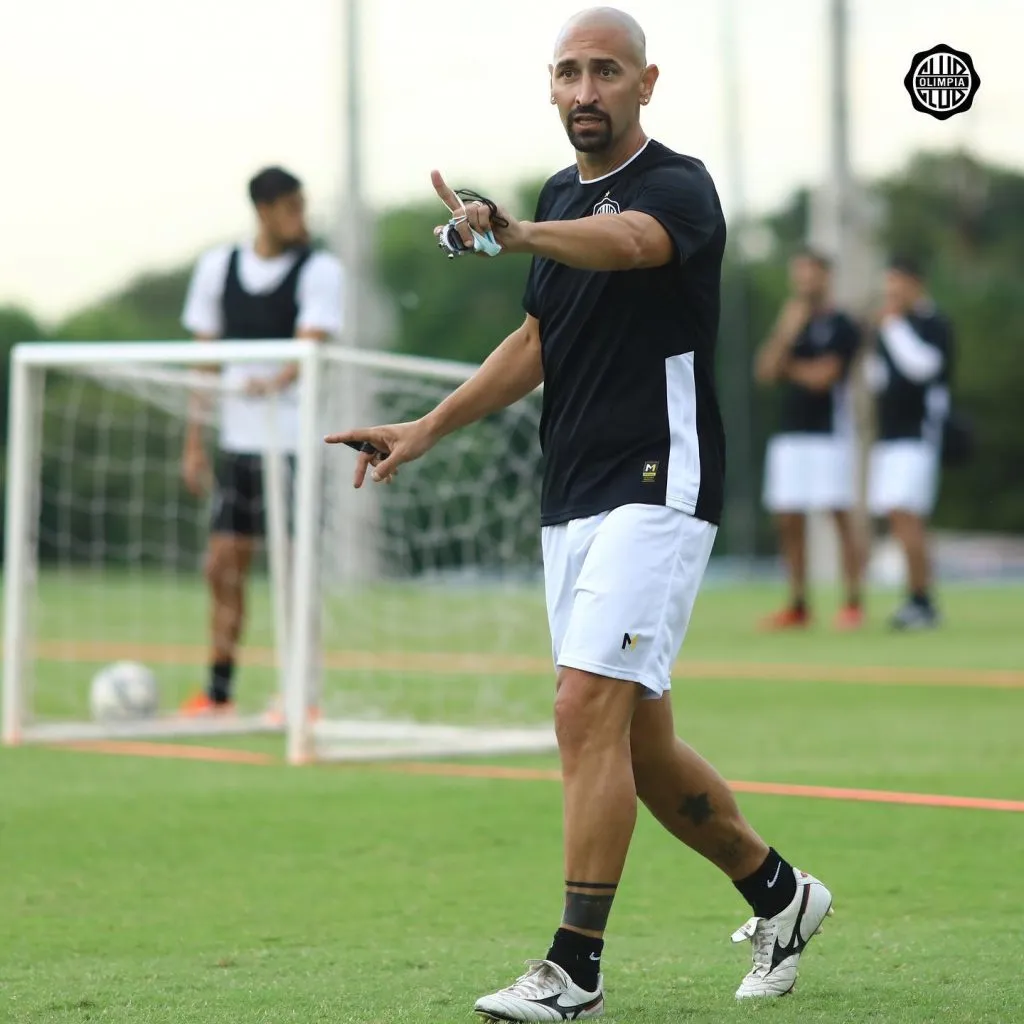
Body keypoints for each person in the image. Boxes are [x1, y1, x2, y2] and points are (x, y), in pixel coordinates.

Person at [327, 7, 833, 1019]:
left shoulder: (674, 188)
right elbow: (535, 340)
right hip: (573, 499)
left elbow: (629, 243)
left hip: (659, 484)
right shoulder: (561, 197)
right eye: (568, 72)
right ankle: (780, 894)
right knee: (638, 752)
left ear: (645, 84)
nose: (586, 88)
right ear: (550, 88)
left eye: (607, 70)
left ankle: (574, 966)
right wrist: (427, 427)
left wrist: (516, 231)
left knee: (578, 711)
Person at [179, 166, 343, 714]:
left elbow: (310, 346)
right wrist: (194, 441)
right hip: (240, 446)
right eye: (291, 207)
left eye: (303, 206)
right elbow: (205, 362)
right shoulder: (217, 268)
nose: (302, 217)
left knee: (295, 570)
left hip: (294, 444)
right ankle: (219, 691)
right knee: (222, 565)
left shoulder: (319, 269)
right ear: (264, 210)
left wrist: (271, 385)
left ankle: (302, 693)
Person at [754, 249, 865, 630]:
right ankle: (798, 605)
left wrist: (791, 368)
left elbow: (825, 378)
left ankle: (853, 602)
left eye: (810, 274)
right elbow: (766, 370)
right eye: (798, 274)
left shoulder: (843, 325)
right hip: (790, 435)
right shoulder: (791, 321)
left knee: (838, 515)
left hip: (829, 434)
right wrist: (786, 333)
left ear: (825, 277)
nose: (803, 282)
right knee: (788, 518)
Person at [865, 256, 953, 629]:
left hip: (918, 434)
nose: (891, 292)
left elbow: (922, 368)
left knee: (907, 513)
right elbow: (877, 380)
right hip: (890, 435)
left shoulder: (933, 324)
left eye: (897, 283)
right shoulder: (891, 327)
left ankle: (922, 600)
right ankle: (919, 597)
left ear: (916, 283)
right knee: (898, 514)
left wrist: (894, 329)